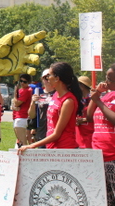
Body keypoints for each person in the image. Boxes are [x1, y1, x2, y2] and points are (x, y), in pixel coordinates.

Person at [19, 62, 83, 152]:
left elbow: (57, 134)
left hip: (64, 150)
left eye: (49, 75)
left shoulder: (68, 101)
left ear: (57, 78)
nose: (47, 78)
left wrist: (32, 146)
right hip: (52, 147)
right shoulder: (56, 95)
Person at [88, 64, 115, 206]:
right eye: (106, 78)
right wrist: (97, 94)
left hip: (113, 155)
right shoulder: (106, 96)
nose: (106, 82)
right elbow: (89, 115)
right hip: (99, 155)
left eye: (110, 79)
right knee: (106, 199)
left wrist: (98, 101)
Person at [28, 69, 55, 144]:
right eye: (46, 78)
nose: (48, 80)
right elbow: (31, 115)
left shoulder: (58, 93)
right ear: (42, 79)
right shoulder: (39, 93)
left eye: (50, 77)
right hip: (41, 133)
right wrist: (33, 102)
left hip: (55, 133)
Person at [12, 73, 32, 147]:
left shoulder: (26, 91)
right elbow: (14, 106)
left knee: (22, 142)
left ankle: (26, 158)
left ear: (29, 82)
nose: (22, 83)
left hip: (22, 117)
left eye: (25, 82)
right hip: (18, 116)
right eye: (21, 81)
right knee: (19, 141)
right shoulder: (21, 90)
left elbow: (16, 103)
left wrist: (15, 94)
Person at [75, 75, 94, 149]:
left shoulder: (93, 99)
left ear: (82, 86)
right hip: (79, 134)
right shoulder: (77, 99)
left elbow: (97, 116)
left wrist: (83, 120)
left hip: (90, 133)